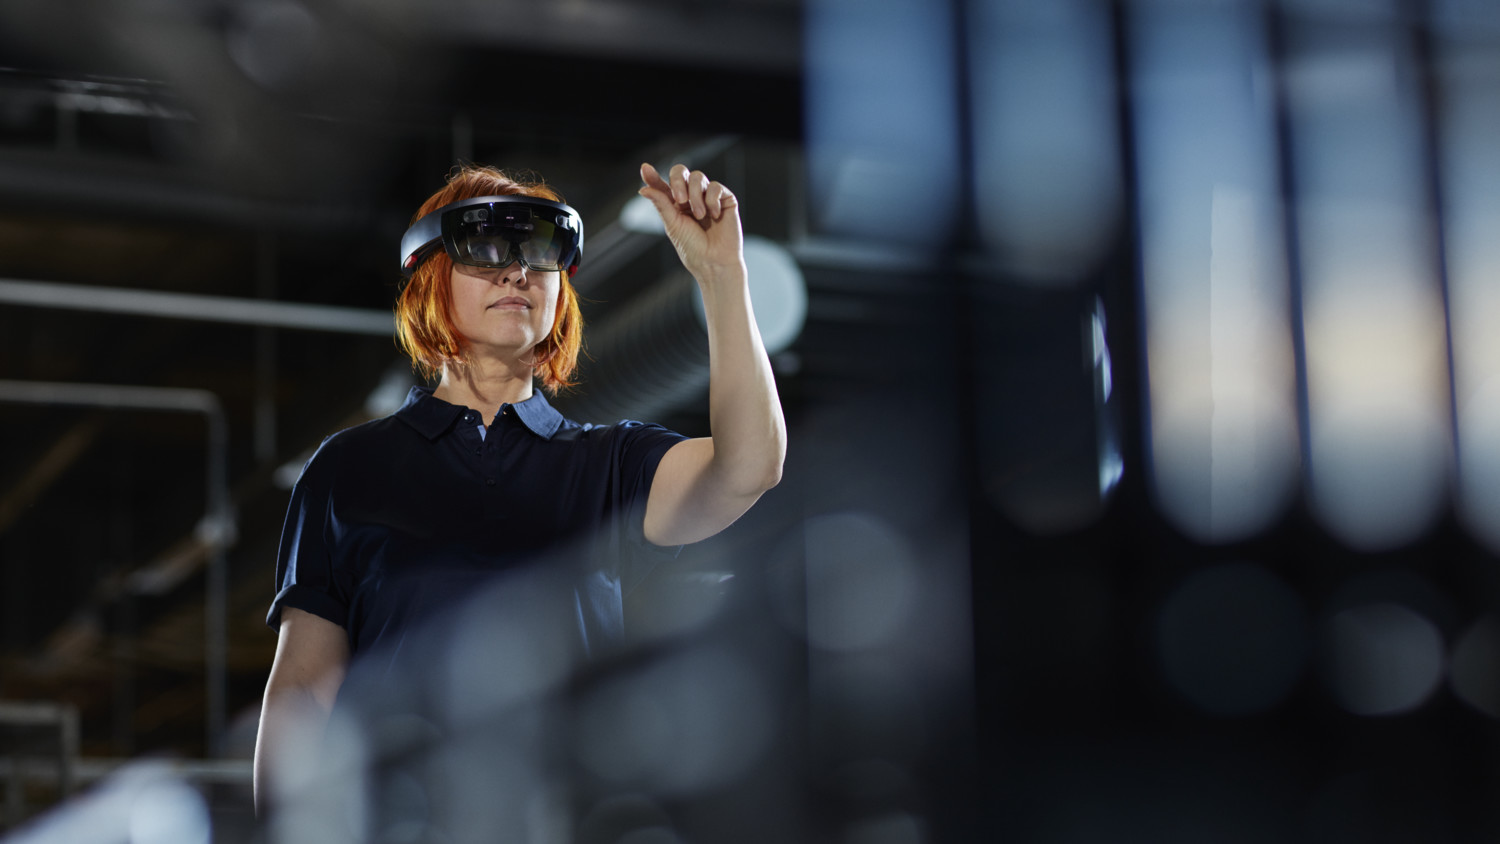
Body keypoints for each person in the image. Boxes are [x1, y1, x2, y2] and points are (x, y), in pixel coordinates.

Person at [252, 162, 786, 816]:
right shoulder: (348, 471)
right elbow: (304, 697)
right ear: (428, 276)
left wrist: (721, 275)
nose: (518, 273)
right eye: (485, 249)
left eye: (538, 252)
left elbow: (748, 467)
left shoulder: (611, 465)